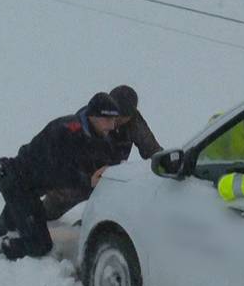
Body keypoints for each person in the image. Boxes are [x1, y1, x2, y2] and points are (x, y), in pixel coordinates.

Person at [0, 93, 126, 260]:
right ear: (94, 116)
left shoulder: (99, 137)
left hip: (32, 187)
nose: (112, 125)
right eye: (108, 120)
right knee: (39, 245)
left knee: (7, 227)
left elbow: (106, 163)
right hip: (17, 183)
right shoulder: (66, 130)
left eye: (114, 120)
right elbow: (58, 171)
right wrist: (87, 181)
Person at [41, 84, 163, 220]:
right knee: (52, 207)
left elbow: (152, 150)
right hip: (80, 175)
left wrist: (166, 166)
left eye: (122, 117)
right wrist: (87, 178)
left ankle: (91, 225)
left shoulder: (134, 122)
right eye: (114, 115)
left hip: (112, 178)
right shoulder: (88, 118)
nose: (116, 121)